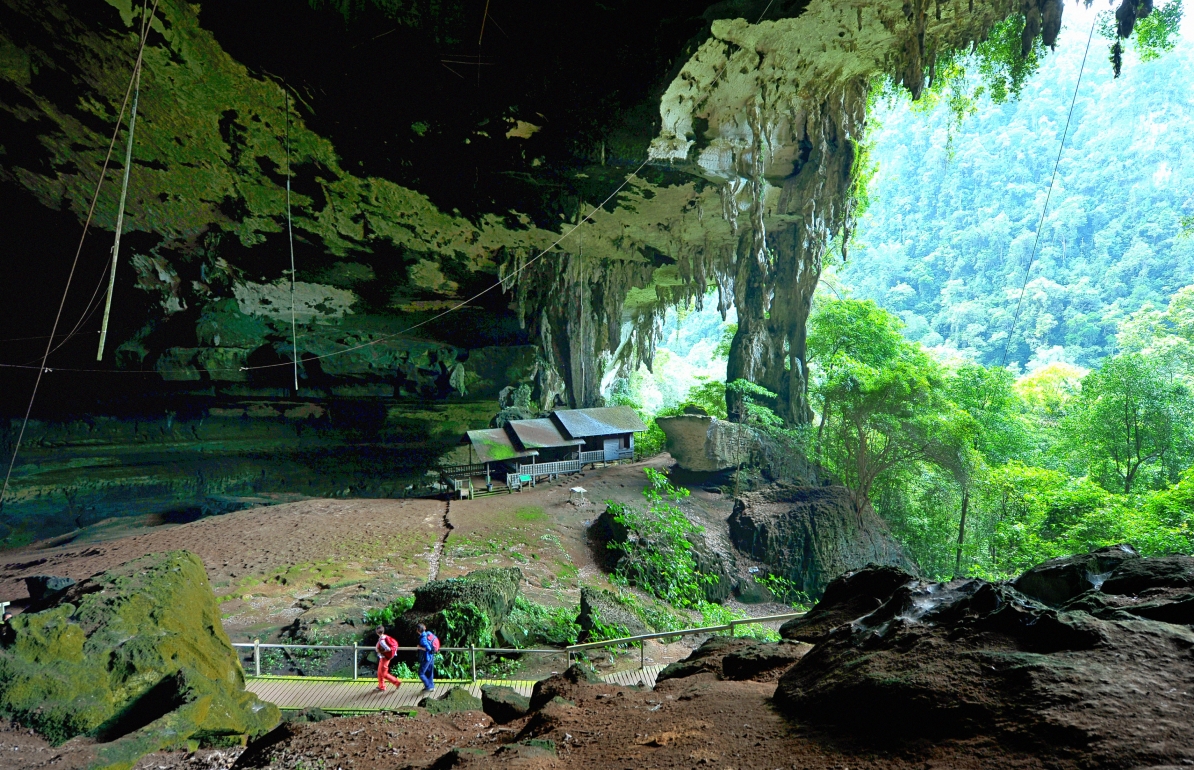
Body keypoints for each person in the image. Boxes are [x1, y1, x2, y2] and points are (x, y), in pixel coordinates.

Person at [374, 625, 401, 692]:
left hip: (384, 658)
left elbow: (388, 649)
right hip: (383, 658)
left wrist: (380, 651)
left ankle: (397, 682)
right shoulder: (385, 636)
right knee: (379, 672)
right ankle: (381, 686)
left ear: (377, 632)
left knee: (384, 674)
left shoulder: (382, 641)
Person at [416, 622, 436, 692]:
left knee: (421, 673)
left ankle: (428, 686)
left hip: (427, 657)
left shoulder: (423, 639)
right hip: (431, 656)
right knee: (429, 671)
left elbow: (428, 648)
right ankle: (431, 686)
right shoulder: (428, 633)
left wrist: (420, 647)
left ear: (418, 630)